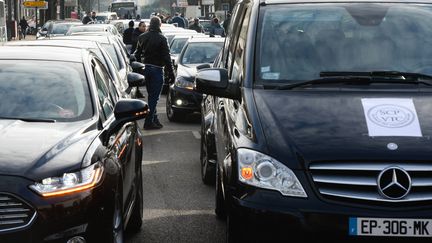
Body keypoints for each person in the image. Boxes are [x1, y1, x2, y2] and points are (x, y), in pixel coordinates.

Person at [134, 16, 176, 130]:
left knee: (152, 96)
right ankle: (148, 121)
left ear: (149, 25)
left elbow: (136, 54)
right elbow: (167, 58)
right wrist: (171, 74)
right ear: (159, 25)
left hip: (146, 69)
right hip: (157, 69)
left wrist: (138, 67)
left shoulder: (142, 37)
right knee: (154, 97)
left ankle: (154, 119)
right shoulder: (162, 38)